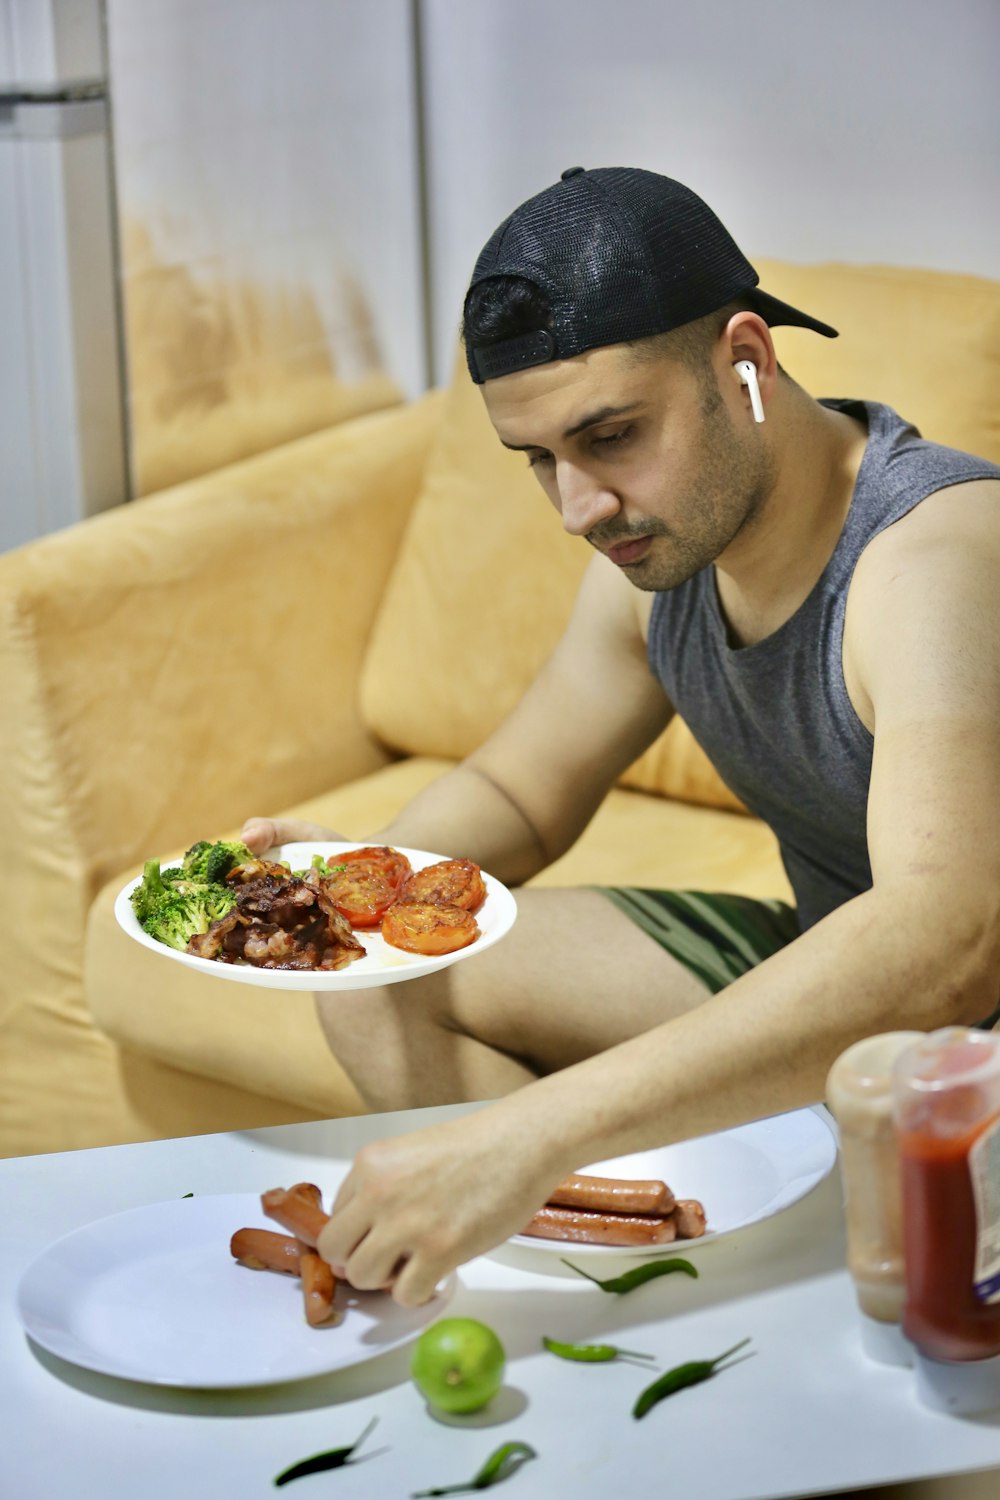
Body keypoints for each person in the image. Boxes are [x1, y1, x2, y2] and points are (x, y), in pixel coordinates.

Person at [242, 167, 1000, 1306]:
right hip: (851, 993)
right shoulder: (660, 556)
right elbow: (521, 792)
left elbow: (945, 942)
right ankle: (581, 1272)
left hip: (956, 1029)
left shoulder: (937, 558)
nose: (576, 507)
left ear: (745, 362)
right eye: (540, 458)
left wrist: (528, 1134)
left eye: (609, 436)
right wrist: (354, 882)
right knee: (370, 965)